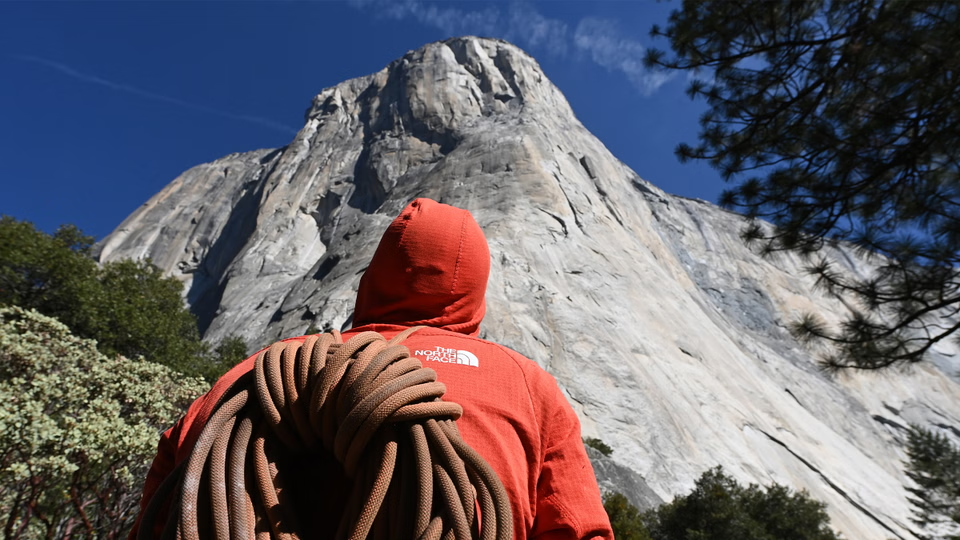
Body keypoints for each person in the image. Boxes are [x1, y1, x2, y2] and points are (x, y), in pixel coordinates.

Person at [131, 198, 613, 539]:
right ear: (476, 296)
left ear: (372, 279)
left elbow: (159, 515)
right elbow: (579, 529)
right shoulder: (528, 385)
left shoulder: (249, 374)